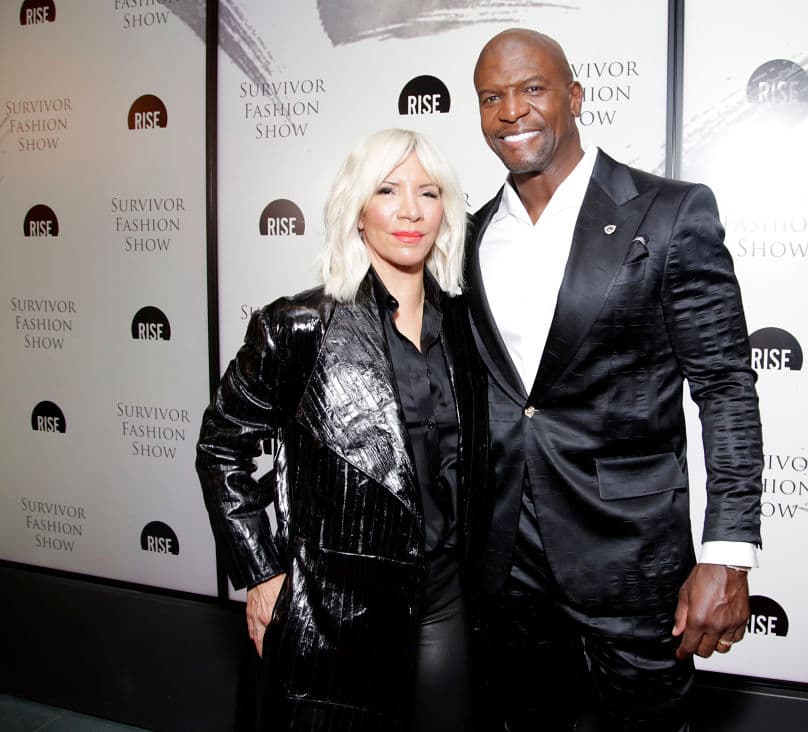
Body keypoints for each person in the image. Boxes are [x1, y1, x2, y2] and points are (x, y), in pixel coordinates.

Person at [463, 29, 764, 731]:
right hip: (505, 563)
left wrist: (727, 554)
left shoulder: (670, 212)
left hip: (633, 558)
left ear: (574, 96)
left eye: (532, 89)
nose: (511, 111)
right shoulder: (470, 234)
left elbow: (724, 386)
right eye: (490, 97)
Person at [195, 128, 488, 731]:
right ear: (358, 210)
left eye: (428, 192)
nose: (410, 210)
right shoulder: (300, 325)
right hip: (333, 605)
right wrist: (261, 570)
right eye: (388, 190)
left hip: (446, 598)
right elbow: (221, 445)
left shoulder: (468, 327)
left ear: (445, 211)